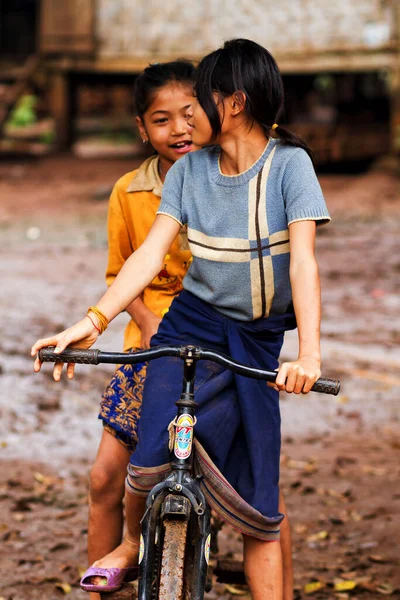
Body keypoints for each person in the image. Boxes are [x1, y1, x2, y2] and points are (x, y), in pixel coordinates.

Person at [32, 39, 330, 600]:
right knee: (145, 458)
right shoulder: (190, 171)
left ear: (234, 103)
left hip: (257, 339)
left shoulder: (292, 166)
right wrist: (91, 323)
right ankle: (134, 546)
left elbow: (304, 264)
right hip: (190, 325)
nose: (191, 117)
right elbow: (147, 255)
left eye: (200, 102)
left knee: (259, 499)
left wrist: (309, 353)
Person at [86, 61, 196, 600]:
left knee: (260, 491)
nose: (178, 129)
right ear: (141, 128)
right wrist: (151, 326)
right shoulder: (128, 192)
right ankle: (104, 577)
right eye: (161, 119)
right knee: (106, 476)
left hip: (214, 351)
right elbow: (120, 274)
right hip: (147, 352)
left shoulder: (232, 184)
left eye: (189, 113)